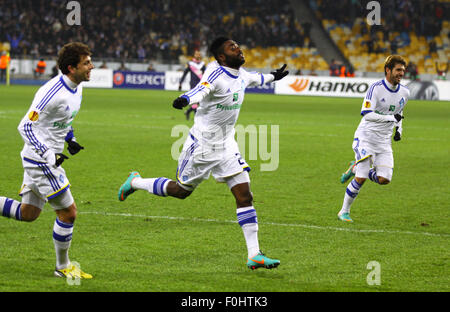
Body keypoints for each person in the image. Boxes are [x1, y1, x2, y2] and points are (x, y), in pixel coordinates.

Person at [118, 37, 289, 270]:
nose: (238, 49)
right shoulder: (215, 74)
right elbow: (202, 89)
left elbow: (258, 79)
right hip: (202, 145)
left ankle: (254, 254)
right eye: (233, 48)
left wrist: (274, 76)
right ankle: (135, 182)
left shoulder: (241, 74)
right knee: (180, 191)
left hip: (227, 144)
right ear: (221, 57)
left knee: (244, 195)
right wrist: (186, 99)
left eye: (237, 46)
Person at [0, 42, 94, 279]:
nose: (91, 66)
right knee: (69, 213)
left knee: (28, 213)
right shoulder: (51, 93)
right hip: (41, 161)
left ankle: (62, 266)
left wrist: (70, 138)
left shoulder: (77, 87)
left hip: (42, 158)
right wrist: (48, 154)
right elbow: (25, 126)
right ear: (72, 68)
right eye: (86, 63)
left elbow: (63, 119)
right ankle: (63, 267)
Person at [338, 55, 409, 222]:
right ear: (388, 70)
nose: (401, 73)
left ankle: (353, 167)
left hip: (384, 141)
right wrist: (391, 120)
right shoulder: (376, 88)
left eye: (403, 71)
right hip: (366, 137)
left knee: (385, 179)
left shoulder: (405, 92)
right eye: (398, 70)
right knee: (362, 177)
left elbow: (399, 113)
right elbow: (367, 114)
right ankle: (343, 212)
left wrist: (399, 129)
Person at [178, 50, 206, 120]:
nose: (198, 55)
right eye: (196, 54)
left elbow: (206, 74)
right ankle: (196, 118)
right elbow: (185, 74)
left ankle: (188, 112)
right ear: (194, 55)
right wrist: (180, 83)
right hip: (193, 85)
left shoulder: (202, 64)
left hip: (200, 85)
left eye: (199, 54)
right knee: (196, 101)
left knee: (198, 102)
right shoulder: (190, 64)